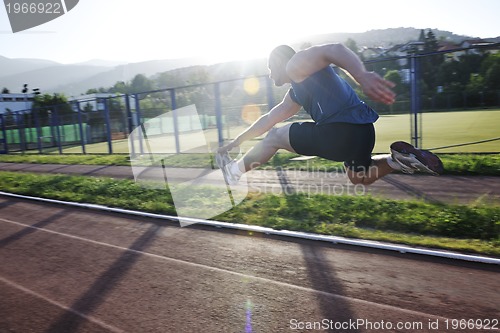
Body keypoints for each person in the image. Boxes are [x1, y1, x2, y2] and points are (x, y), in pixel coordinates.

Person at [216, 43, 443, 185]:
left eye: (268, 67)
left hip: (338, 131)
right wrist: (237, 141)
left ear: (278, 62)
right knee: (359, 177)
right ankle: (399, 161)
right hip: (363, 132)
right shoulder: (296, 93)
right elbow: (266, 119)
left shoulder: (295, 64)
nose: (268, 74)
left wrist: (362, 76)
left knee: (275, 137)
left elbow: (335, 50)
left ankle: (234, 172)